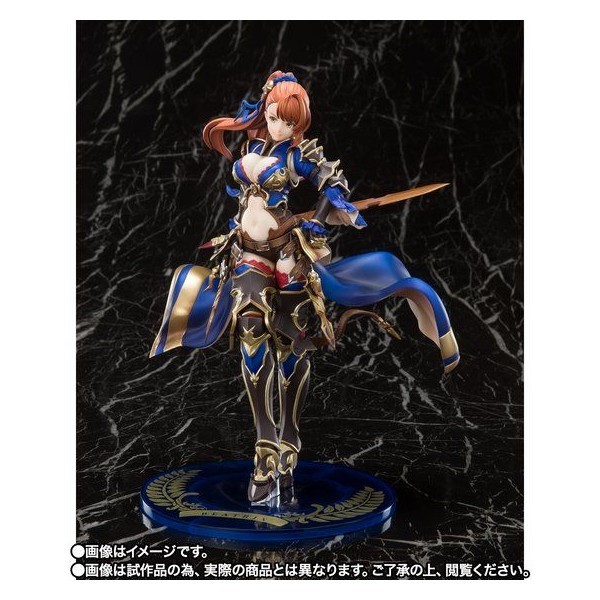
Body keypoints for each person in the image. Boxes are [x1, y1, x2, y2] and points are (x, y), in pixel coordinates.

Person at [150, 70, 459, 504]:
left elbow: (334, 184)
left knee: (293, 342)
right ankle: (265, 447)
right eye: (276, 116)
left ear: (300, 123)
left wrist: (317, 218)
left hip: (286, 252)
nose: (281, 126)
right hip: (246, 251)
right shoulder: (252, 146)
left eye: (290, 121)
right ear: (266, 111)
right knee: (251, 331)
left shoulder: (298, 156)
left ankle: (290, 438)